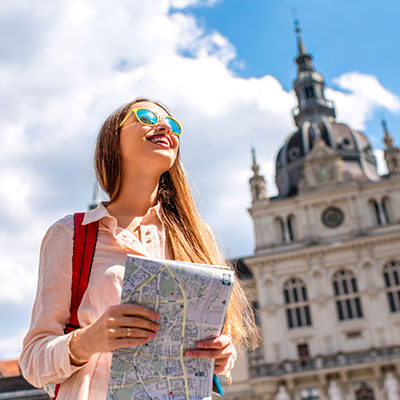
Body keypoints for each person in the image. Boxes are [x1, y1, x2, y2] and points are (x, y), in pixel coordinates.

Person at [19, 98, 259, 399]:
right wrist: (87, 341)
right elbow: (32, 363)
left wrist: (221, 355)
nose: (164, 127)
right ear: (112, 140)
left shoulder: (197, 235)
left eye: (173, 124)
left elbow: (219, 350)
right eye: (146, 116)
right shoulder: (70, 235)